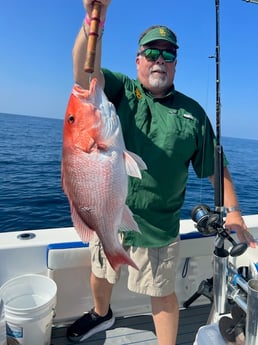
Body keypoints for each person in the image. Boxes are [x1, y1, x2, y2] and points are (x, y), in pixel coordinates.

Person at [67, 1, 256, 344]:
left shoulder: (192, 114)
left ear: (176, 64)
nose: (159, 60)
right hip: (107, 209)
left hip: (158, 226)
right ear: (137, 60)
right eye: (152, 52)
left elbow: (216, 168)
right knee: (101, 272)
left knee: (162, 294)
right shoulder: (120, 91)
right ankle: (101, 314)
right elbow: (83, 72)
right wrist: (95, 19)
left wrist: (236, 215)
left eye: (168, 55)